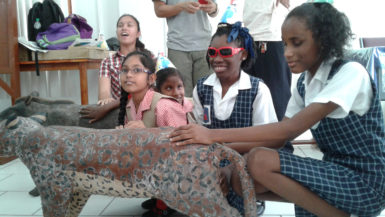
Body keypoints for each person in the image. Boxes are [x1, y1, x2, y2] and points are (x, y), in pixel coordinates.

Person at [169, 2, 385, 217]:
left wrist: (211, 136)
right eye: (285, 45)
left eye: (297, 43)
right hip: (333, 174)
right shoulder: (304, 85)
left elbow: (287, 131)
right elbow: (277, 138)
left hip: (367, 183)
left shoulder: (350, 72)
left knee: (259, 160)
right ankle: (322, 209)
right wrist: (227, 160)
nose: (287, 53)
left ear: (323, 40)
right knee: (239, 176)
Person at [193, 21, 290, 215]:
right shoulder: (202, 88)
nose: (217, 58)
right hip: (211, 157)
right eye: (212, 53)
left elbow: (267, 141)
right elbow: (198, 131)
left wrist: (229, 165)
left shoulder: (257, 90)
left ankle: (249, 201)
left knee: (236, 197)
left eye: (226, 52)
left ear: (243, 54)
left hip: (246, 158)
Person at [140, 66, 194, 216]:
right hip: (172, 147)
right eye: (169, 88)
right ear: (158, 91)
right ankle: (159, 199)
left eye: (179, 87)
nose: (176, 92)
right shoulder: (165, 104)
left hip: (178, 150)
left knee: (164, 176)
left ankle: (163, 207)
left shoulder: (177, 104)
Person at [80, 14, 152, 123]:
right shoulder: (108, 62)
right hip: (120, 110)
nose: (124, 28)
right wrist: (106, 102)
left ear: (138, 33)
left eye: (129, 25)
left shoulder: (149, 58)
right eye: (120, 25)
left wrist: (110, 105)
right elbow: (104, 95)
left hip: (146, 108)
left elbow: (150, 92)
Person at [151, 0, 218, 97]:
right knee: (181, 97)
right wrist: (181, 7)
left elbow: (214, 10)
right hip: (178, 47)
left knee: (207, 95)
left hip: (205, 45)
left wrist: (213, 8)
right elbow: (159, 10)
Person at [243, 0, 292, 121]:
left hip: (271, 35)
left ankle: (281, 137)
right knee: (248, 96)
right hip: (251, 33)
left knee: (276, 96)